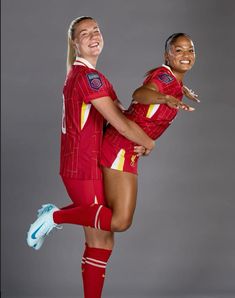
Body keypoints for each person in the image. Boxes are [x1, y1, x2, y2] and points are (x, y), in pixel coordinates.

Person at [27, 23, 198, 297]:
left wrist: (178, 89)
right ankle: (54, 215)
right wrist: (148, 141)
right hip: (83, 164)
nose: (94, 36)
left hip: (90, 160)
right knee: (114, 226)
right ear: (75, 44)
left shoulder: (89, 75)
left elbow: (131, 109)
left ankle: (56, 218)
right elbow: (120, 121)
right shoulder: (88, 78)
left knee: (102, 243)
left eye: (96, 31)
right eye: (85, 34)